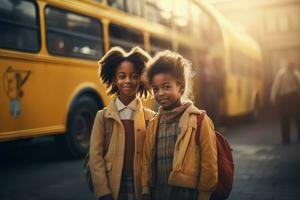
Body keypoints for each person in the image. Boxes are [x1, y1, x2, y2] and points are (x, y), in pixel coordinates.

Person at [142, 51, 218, 200]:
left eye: (166, 87)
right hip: (159, 194)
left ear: (181, 87)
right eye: (155, 89)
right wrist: (145, 189)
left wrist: (204, 195)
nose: (160, 93)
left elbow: (209, 164)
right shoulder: (153, 124)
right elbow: (146, 160)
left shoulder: (199, 120)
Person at [89, 46, 155, 200]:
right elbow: (95, 158)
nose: (128, 81)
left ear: (141, 79)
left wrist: (147, 189)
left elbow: (151, 158)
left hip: (141, 188)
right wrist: (103, 191)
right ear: (114, 79)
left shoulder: (150, 117)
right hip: (112, 187)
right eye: (122, 76)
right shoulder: (102, 117)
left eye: (134, 76)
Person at [270, 61, 300, 144]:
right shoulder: (284, 74)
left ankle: (286, 138)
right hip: (289, 97)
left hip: (289, 97)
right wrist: (273, 97)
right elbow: (276, 86)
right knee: (288, 118)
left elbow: (275, 86)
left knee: (291, 118)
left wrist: (273, 97)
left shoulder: (293, 74)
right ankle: (286, 138)